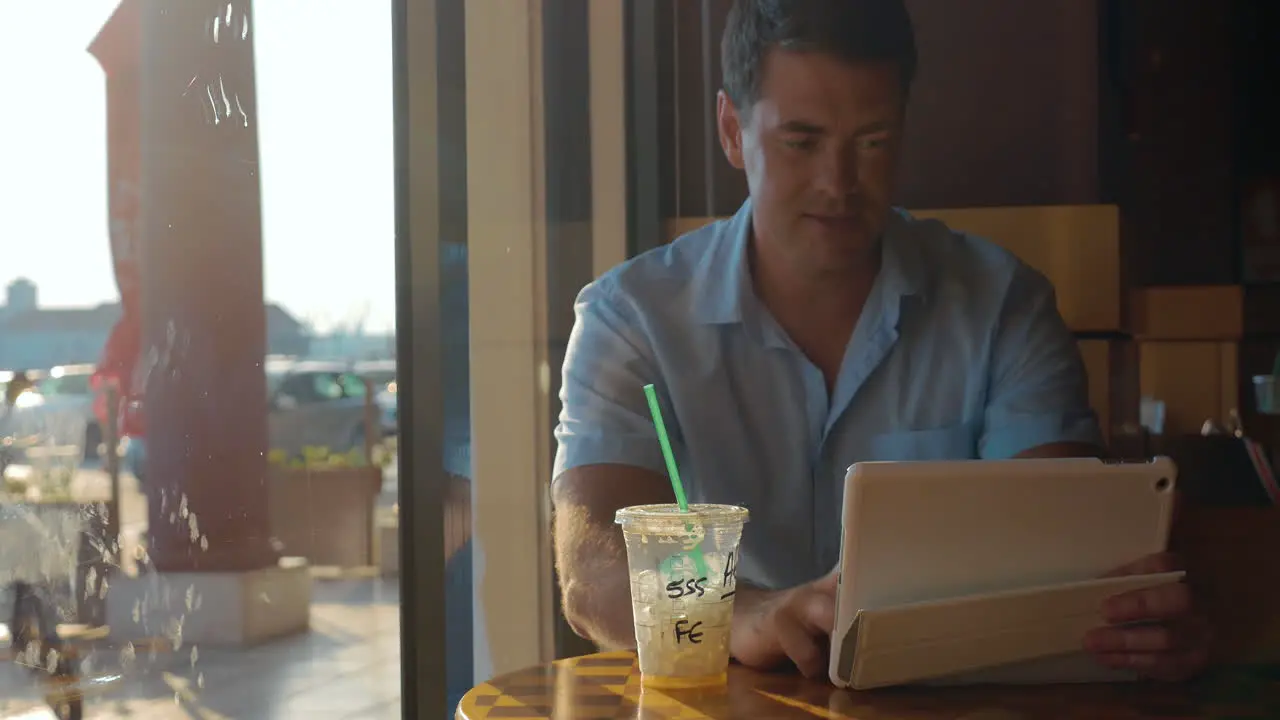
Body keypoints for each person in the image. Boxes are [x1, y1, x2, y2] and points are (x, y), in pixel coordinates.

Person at [551, 0, 1211, 684]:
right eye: (801, 142)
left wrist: (1130, 617)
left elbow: (1063, 567)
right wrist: (739, 611)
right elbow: (592, 569)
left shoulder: (1001, 305)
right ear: (731, 130)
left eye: (872, 142)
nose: (838, 184)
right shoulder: (632, 318)